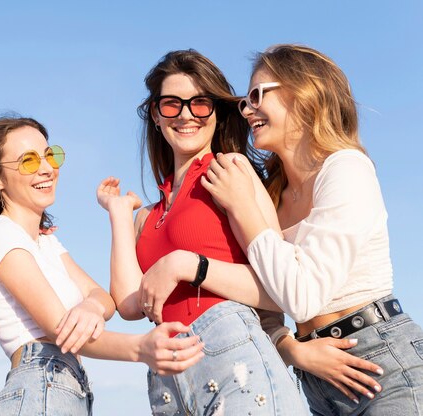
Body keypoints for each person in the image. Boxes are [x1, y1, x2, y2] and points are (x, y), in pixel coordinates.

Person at [193, 43, 423, 415]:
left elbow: (302, 296)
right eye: (244, 102)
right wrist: (291, 348)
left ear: (304, 94)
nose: (248, 110)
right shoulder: (269, 193)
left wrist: (242, 208)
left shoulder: (346, 168)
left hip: (382, 365)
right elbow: (265, 300)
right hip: (317, 380)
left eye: (256, 96)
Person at [97, 49, 306, 415]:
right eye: (171, 104)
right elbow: (131, 303)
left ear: (216, 112)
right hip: (168, 382)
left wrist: (187, 264)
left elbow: (280, 289)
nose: (186, 115)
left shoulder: (230, 171)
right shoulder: (145, 216)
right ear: (155, 116)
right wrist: (117, 214)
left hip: (237, 364)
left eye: (200, 103)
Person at [0, 116, 204, 415]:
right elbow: (62, 330)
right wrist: (141, 348)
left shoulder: (46, 243)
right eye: (28, 161)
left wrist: (90, 307)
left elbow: (104, 299)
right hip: (40, 384)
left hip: (61, 388)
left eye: (50, 155)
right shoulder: (0, 234)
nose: (46, 168)